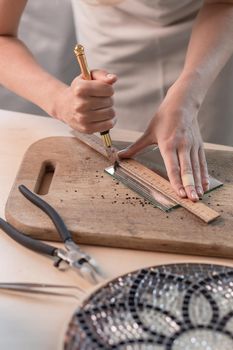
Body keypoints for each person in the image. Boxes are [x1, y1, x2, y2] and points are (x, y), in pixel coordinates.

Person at [0, 0, 233, 203]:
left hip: (208, 58)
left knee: (206, 168)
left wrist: (190, 93)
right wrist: (59, 101)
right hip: (111, 47)